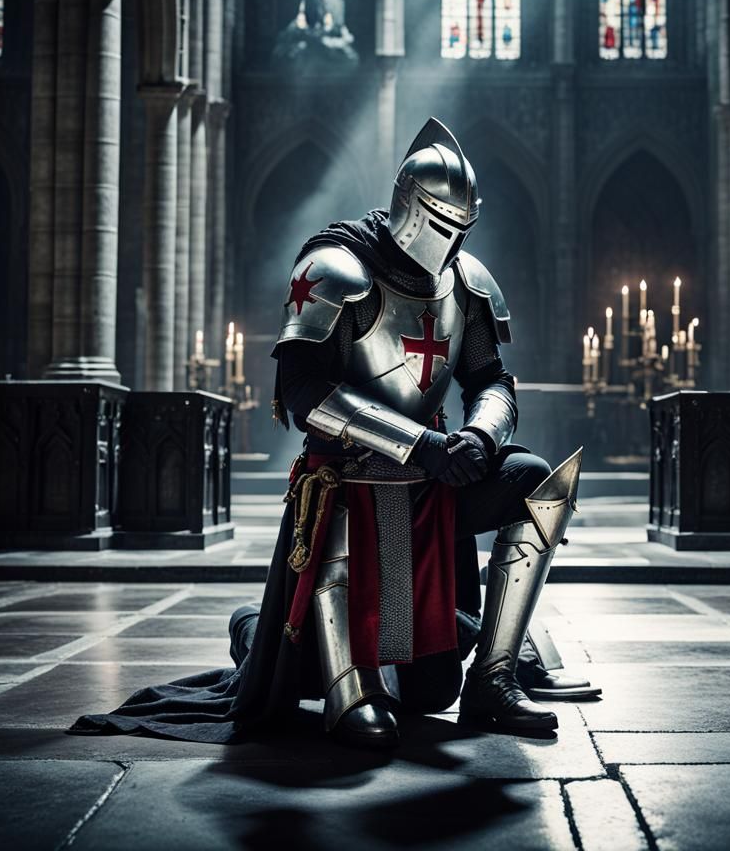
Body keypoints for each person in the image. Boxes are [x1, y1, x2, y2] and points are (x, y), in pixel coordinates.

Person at [70, 119, 595, 748]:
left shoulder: (470, 282)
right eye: (441, 224)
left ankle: (495, 675)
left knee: (534, 487)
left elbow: (491, 379)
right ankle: (284, 647)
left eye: (463, 228)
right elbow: (304, 395)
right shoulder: (336, 268)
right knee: (353, 710)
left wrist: (480, 438)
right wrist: (418, 443)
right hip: (350, 488)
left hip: (431, 491)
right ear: (409, 204)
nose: (451, 242)